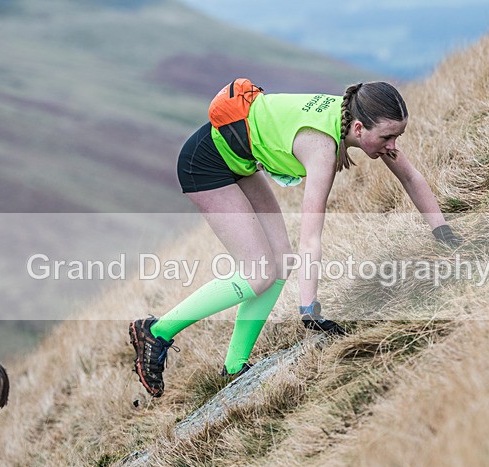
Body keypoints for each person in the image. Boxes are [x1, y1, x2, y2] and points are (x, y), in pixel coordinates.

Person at [129, 80, 463, 398]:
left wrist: (442, 232)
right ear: (360, 129)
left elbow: (411, 177)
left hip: (239, 160)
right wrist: (309, 308)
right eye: (389, 136)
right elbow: (311, 236)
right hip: (204, 164)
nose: (393, 145)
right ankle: (156, 331)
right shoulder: (322, 148)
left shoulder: (352, 114)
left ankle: (234, 366)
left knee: (280, 261)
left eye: (397, 135)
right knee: (258, 273)